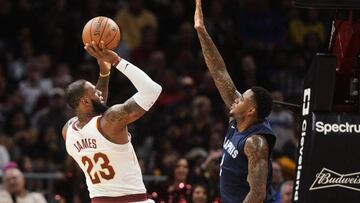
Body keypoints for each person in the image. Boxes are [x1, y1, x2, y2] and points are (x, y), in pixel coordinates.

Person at [194, 1, 277, 203]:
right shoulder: (240, 116)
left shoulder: (255, 143)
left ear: (251, 110)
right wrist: (202, 31)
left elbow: (257, 194)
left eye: (241, 99)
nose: (235, 99)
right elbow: (219, 71)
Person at [62, 41, 162, 203]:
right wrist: (117, 61)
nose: (99, 93)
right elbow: (152, 90)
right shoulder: (111, 120)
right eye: (95, 91)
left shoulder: (68, 130)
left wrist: (104, 73)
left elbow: (95, 112)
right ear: (85, 102)